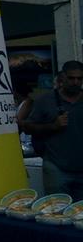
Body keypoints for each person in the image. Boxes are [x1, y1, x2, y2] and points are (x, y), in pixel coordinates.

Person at [24, 60, 83, 199]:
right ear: (62, 78)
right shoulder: (45, 100)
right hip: (56, 166)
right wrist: (53, 126)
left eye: (79, 78)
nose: (75, 82)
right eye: (71, 78)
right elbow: (28, 127)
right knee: (57, 211)